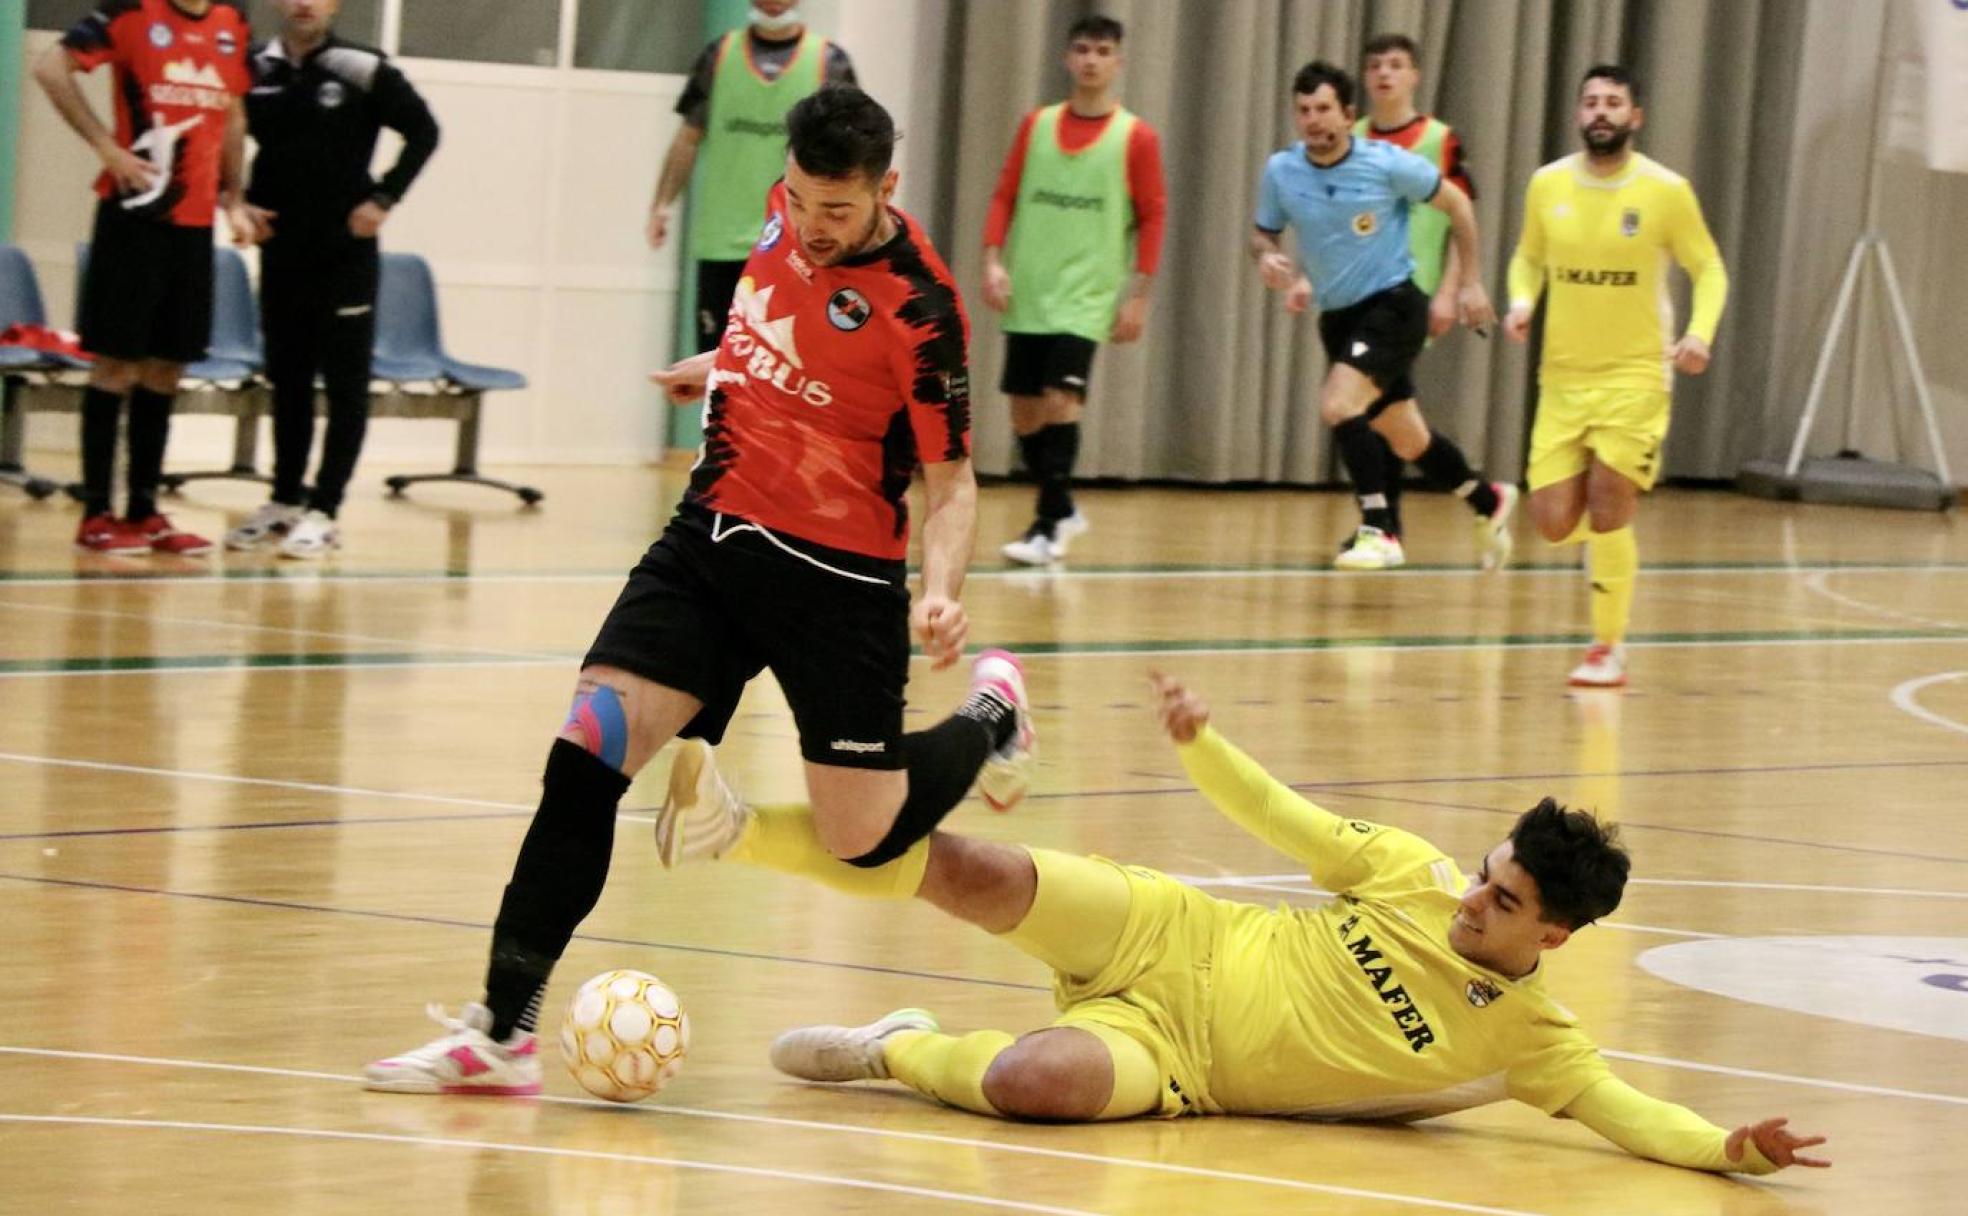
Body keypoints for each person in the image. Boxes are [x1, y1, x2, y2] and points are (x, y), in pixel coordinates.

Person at [363, 85, 1033, 1095]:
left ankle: (991, 716)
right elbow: (786, 334)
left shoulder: (924, 310)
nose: (812, 226)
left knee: (861, 834)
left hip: (838, 581)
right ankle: (500, 1033)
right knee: (585, 755)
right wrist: (719, 366)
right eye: (802, 201)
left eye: (837, 211)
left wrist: (939, 590)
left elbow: (952, 482)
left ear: (886, 188)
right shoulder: (781, 211)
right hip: (708, 543)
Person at [660, 671, 1830, 1178]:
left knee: (1035, 1084)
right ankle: (733, 828)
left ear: (1556, 935)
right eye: (1487, 873)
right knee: (956, 865)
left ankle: (894, 1046)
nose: (1473, 898)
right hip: (1171, 934)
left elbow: (1634, 1115)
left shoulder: (1532, 1041)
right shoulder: (1411, 873)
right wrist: (1199, 742)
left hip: (1182, 1064)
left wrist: (1731, 1147)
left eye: (1505, 902)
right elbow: (1281, 816)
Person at [1503, 66, 1728, 688]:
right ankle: (1608, 557)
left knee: (1609, 503)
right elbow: (1528, 257)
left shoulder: (1665, 190)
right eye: (1591, 102)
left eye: (1613, 102)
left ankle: (1607, 645)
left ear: (1636, 116)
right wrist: (1522, 301)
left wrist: (1699, 333)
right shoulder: (1548, 184)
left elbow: (1708, 268)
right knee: (1552, 522)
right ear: (1579, 115)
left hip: (1637, 375)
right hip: (1564, 378)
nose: (1600, 111)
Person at [1252, 62, 1515, 572]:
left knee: (1338, 403)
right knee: (1408, 436)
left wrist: (1471, 282)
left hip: (1394, 305)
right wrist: (1266, 255)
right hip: (1339, 317)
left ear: (1349, 114)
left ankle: (1380, 529)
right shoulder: (1282, 170)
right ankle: (1489, 501)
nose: (1314, 120)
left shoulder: (1387, 164)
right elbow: (1263, 232)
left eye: (1325, 108)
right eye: (1304, 110)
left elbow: (1459, 205)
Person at [33, 0, 254, 556]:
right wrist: (106, 147)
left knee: (166, 368)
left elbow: (232, 113)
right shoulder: (130, 12)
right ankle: (95, 512)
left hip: (194, 225)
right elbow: (50, 68)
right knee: (117, 365)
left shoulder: (231, 23)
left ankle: (145, 511)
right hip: (134, 216)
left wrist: (234, 196)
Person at [223, 0, 440, 559]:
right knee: (287, 379)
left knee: (344, 385)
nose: (304, 4)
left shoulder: (362, 67)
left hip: (346, 251)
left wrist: (383, 198)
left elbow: (424, 131)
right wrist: (237, 201)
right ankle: (285, 499)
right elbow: (221, 134)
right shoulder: (254, 66)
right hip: (280, 249)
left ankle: (326, 508)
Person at [983, 15, 1167, 566]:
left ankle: (1046, 525)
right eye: (1082, 49)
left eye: (1102, 51)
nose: (1091, 60)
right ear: (1067, 58)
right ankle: (1063, 506)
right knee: (1024, 414)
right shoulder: (1035, 125)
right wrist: (993, 260)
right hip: (1030, 291)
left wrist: (1138, 294)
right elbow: (1003, 196)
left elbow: (1153, 217)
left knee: (1063, 401)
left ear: (1118, 62)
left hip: (1085, 296)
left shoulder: (1136, 137)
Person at [646, 0, 856, 356]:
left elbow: (852, 155)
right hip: (722, 244)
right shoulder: (719, 56)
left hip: (796, 247)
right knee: (716, 369)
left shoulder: (829, 63)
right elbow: (687, 138)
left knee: (784, 367)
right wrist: (661, 204)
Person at [1354, 32, 1482, 543]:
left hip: (1411, 294)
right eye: (1376, 65)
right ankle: (1481, 498)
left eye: (1396, 65)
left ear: (1415, 76)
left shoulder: (1439, 140)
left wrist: (1452, 288)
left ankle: (1384, 525)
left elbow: (1462, 218)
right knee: (1382, 410)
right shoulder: (1353, 136)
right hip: (1358, 295)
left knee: (1371, 405)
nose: (1385, 74)